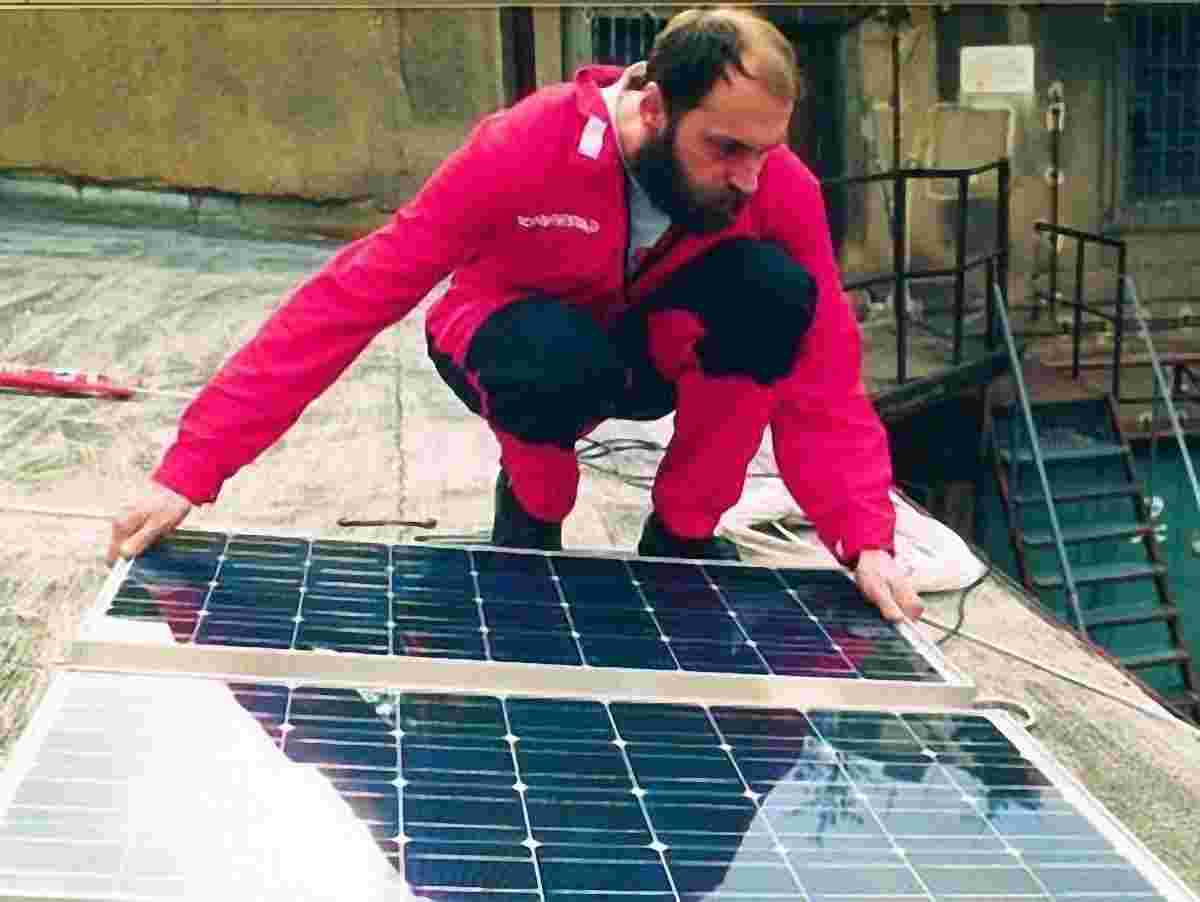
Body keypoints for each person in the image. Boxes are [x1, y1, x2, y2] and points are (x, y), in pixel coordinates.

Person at [108, 7, 923, 623]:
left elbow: (824, 372)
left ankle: (683, 533)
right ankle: (533, 513)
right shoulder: (525, 146)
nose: (749, 177)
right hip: (512, 340)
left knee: (775, 291)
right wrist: (192, 469)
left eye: (765, 150)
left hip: (641, 351)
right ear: (653, 109)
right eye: (726, 149)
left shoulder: (776, 188)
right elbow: (352, 296)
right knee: (550, 354)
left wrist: (863, 535)